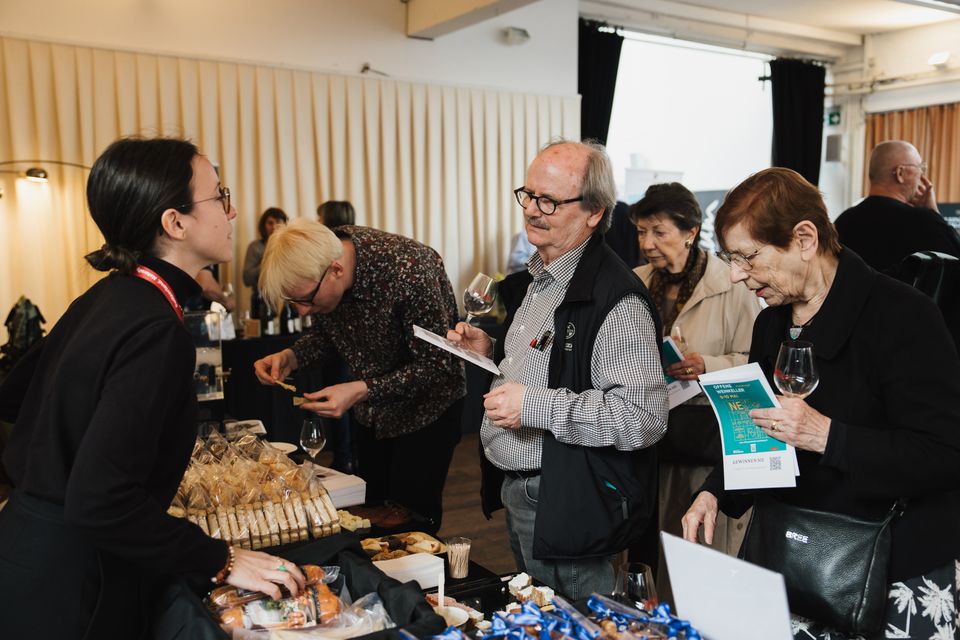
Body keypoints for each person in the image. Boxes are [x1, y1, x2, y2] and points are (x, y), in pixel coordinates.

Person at [0, 137, 304, 638]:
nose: (231, 211)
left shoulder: (107, 295)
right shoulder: (156, 329)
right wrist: (223, 559)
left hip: (24, 549)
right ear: (175, 223)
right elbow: (101, 501)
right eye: (219, 196)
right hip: (72, 585)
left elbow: (14, 396)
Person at [681, 167, 960, 639]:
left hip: (891, 569)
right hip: (792, 555)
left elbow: (945, 453)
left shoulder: (903, 316)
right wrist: (715, 491)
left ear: (805, 238)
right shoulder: (771, 323)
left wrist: (827, 436)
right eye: (730, 258)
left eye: (748, 257)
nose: (735, 275)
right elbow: (762, 431)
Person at [447, 140, 668, 599]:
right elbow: (551, 364)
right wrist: (491, 351)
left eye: (549, 201)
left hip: (565, 500)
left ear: (593, 212)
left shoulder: (617, 299)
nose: (532, 210)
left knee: (575, 623)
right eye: (528, 195)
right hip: (524, 492)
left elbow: (641, 417)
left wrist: (533, 406)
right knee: (539, 616)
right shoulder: (540, 277)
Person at [253, 219, 465, 533]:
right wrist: (291, 356)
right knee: (368, 520)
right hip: (373, 415)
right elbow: (328, 337)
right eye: (293, 303)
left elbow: (437, 366)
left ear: (336, 270)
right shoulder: (322, 264)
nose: (302, 312)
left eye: (306, 300)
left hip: (426, 414)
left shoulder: (409, 270)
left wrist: (362, 389)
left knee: (411, 527)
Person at [631, 182, 760, 602]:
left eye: (659, 232)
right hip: (646, 437)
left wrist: (708, 366)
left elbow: (757, 363)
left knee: (697, 544)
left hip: (703, 438)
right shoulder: (634, 282)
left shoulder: (733, 284)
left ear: (690, 232)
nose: (647, 244)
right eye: (641, 231)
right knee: (646, 544)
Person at [834, 140, 960, 276]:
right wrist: (933, 212)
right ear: (900, 173)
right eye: (920, 168)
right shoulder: (924, 222)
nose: (922, 176)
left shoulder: (842, 221)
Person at [243, 207, 288, 314]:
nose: (274, 227)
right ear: (263, 226)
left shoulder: (291, 246)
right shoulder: (255, 247)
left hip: (288, 300)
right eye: (270, 223)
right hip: (261, 301)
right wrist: (267, 261)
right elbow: (246, 279)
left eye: (278, 222)